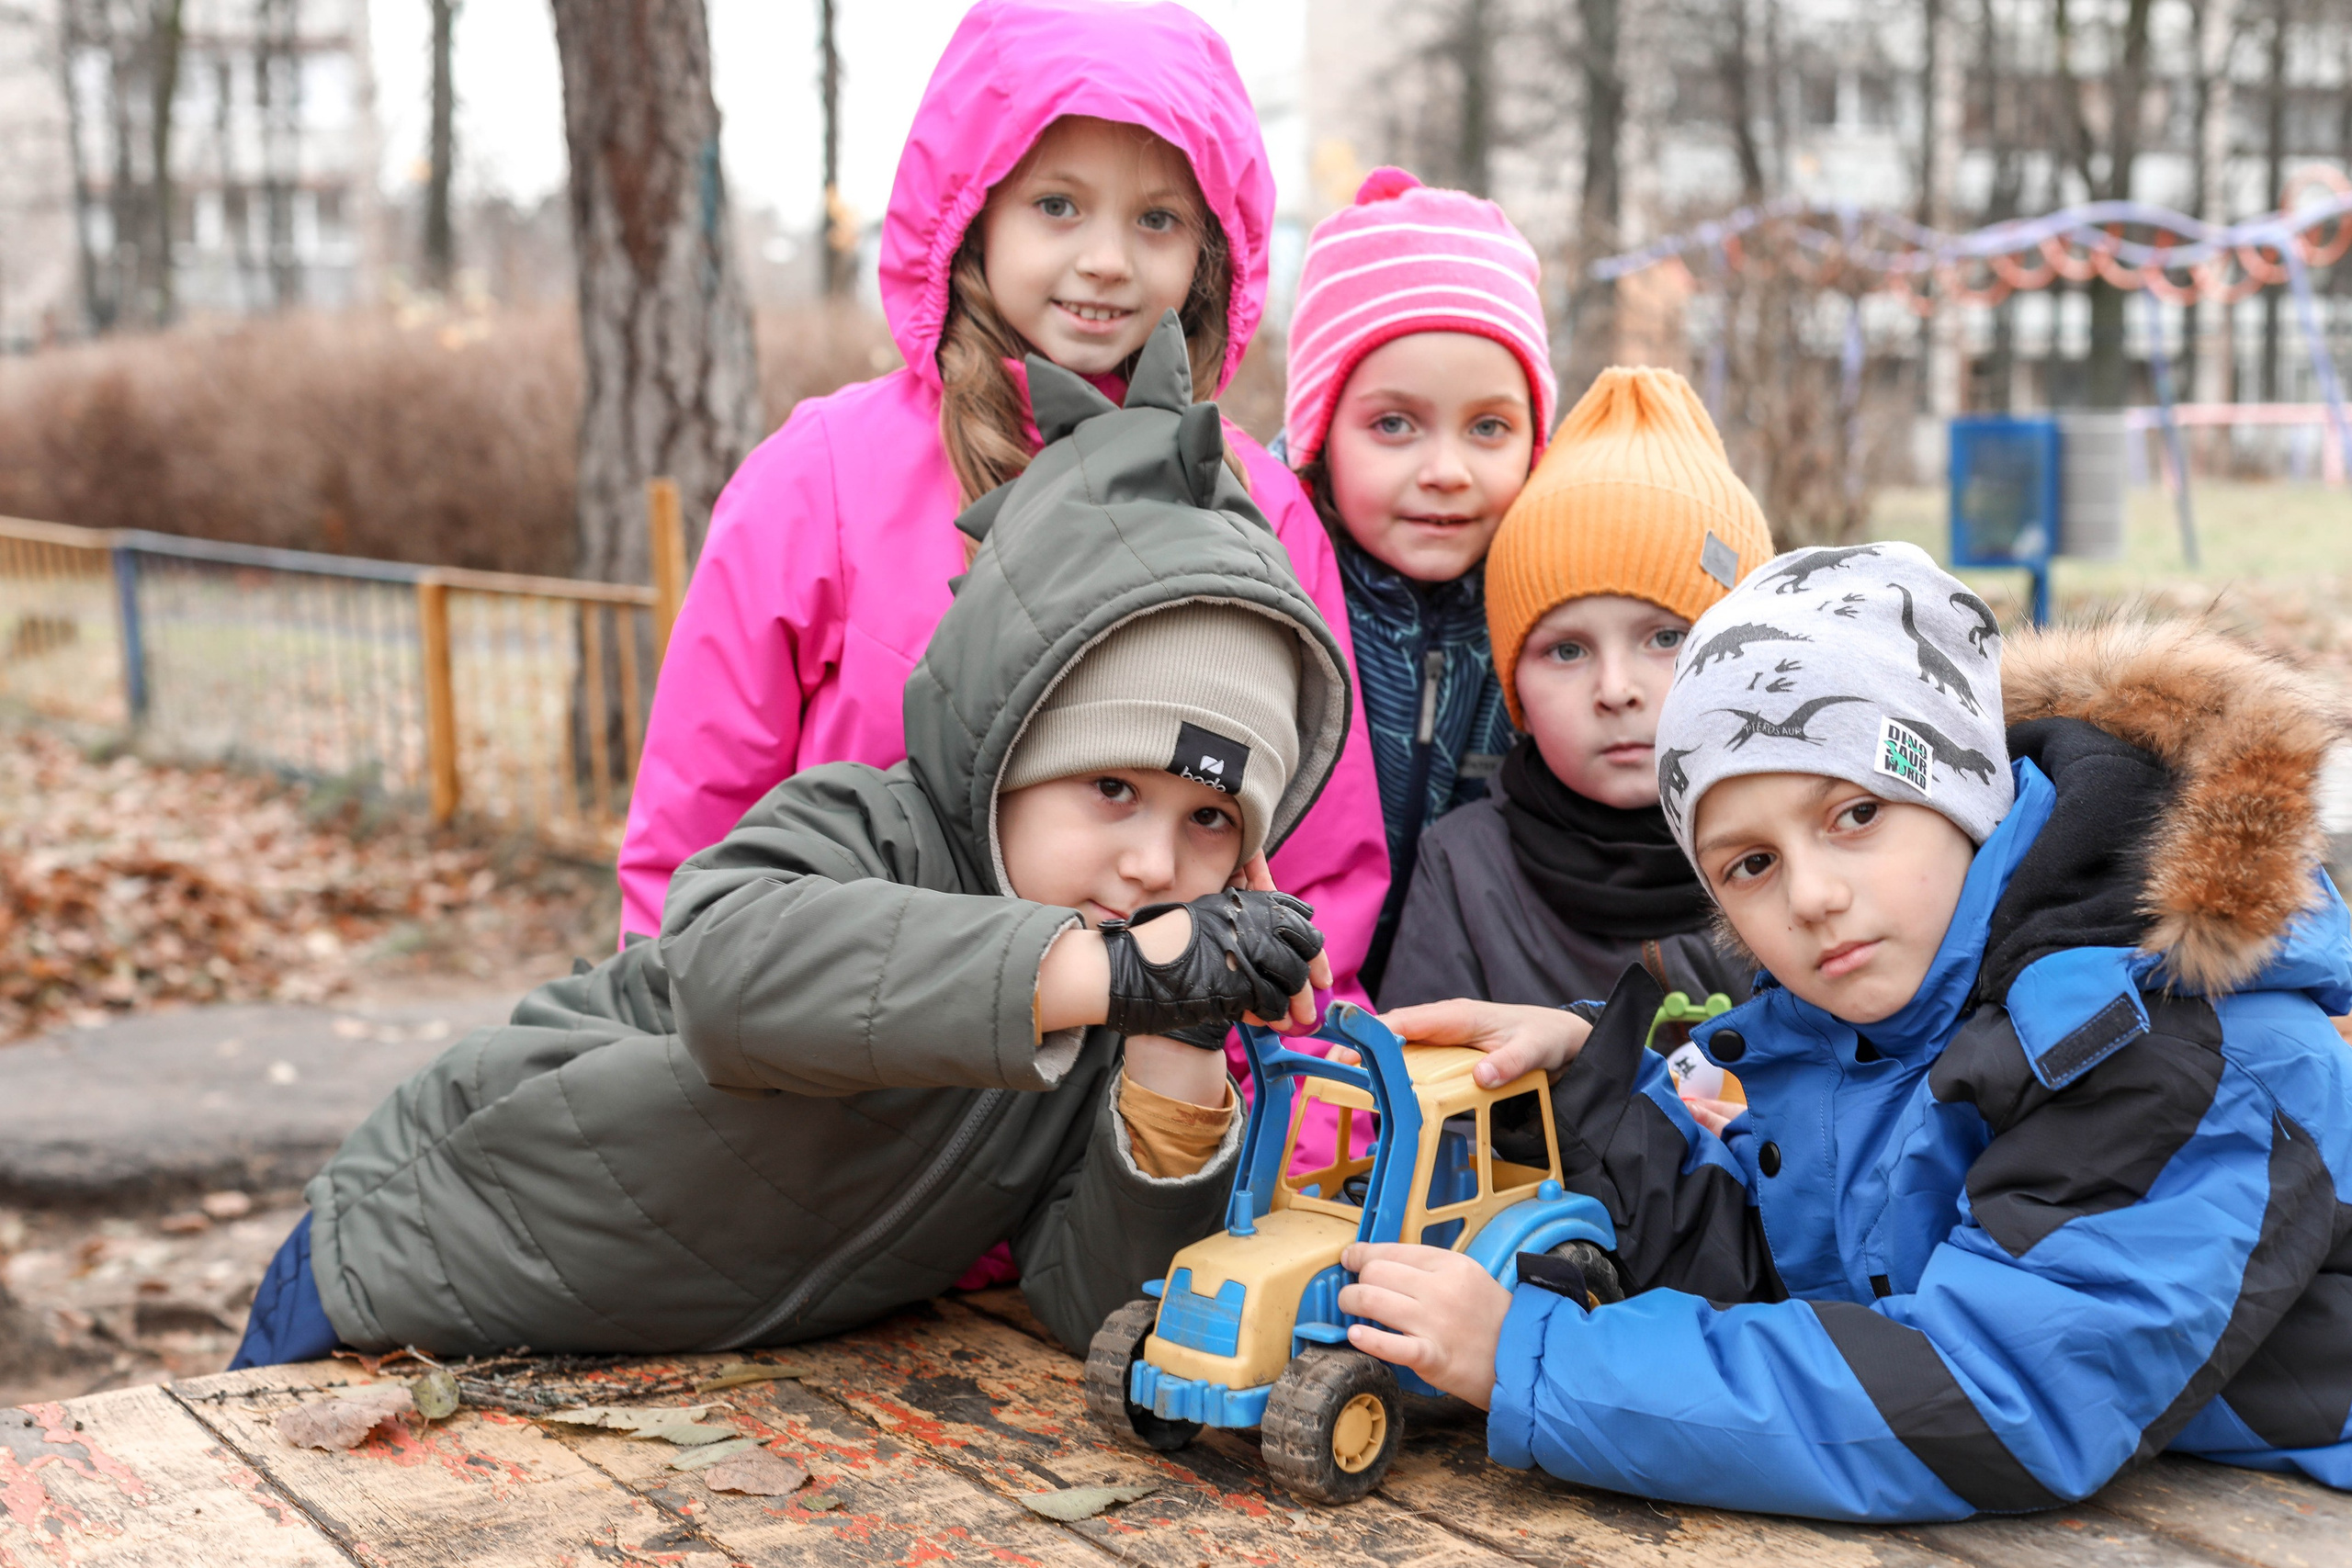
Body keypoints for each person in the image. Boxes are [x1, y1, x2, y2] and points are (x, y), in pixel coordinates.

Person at [231, 322, 1350, 1366]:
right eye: (1112, 788)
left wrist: (1177, 1046)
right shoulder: (873, 829)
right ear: (1009, 747)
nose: (1155, 865)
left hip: (605, 1368)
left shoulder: (1114, 1007)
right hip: (405, 1261)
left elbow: (1088, 1300)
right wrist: (1104, 972)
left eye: (1209, 821)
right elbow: (729, 974)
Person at [1337, 542, 2352, 1518]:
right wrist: (1587, 1094)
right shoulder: (1891, 1017)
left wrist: (1532, 1358)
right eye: (1750, 866)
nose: (1812, 896)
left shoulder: (2175, 1039)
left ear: (1959, 790)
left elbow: (1992, 1397)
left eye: (1854, 815)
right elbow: (1792, 1277)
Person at [615, 0, 1385, 1015]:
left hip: (1140, 1116)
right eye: (1057, 205)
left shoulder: (1255, 509)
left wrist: (1283, 1121)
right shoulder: (824, 476)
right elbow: (694, 832)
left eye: (1156, 219)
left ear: (1206, 251)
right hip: (845, 1094)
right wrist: (678, 1050)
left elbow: (1312, 877)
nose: (1107, 258)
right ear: (974, 209)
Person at [1378, 367, 1768, 1036]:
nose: (1615, 689)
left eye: (1666, 637)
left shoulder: (1805, 845)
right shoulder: (1466, 872)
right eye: (1566, 650)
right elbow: (1424, 1112)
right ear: (1514, 688)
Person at [1278, 167, 1554, 992]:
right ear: (1320, 434)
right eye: (1394, 424)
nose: (1445, 470)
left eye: (1489, 427)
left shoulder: (1544, 615)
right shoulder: (1269, 601)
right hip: (1282, 1030)